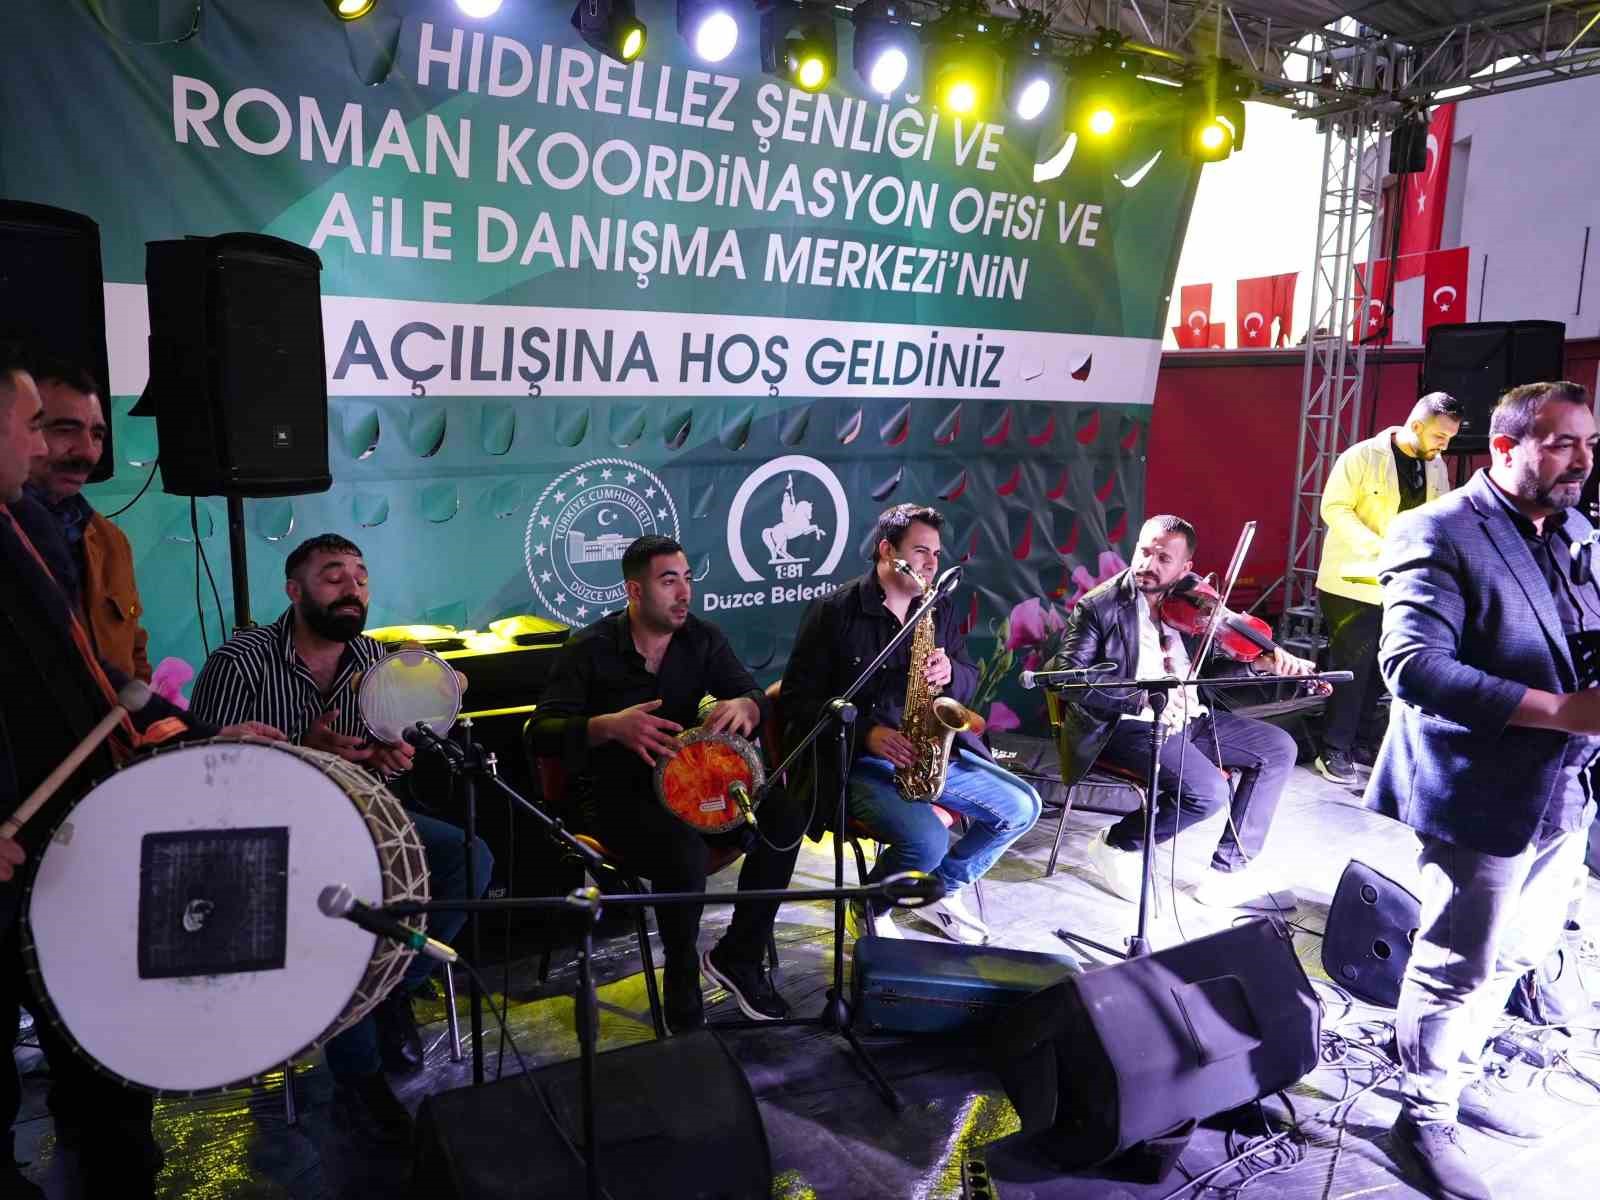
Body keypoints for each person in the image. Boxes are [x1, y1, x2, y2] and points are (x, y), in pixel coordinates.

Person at [0, 345, 277, 1198]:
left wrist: (203, 733)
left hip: (88, 823)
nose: (72, 452)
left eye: (91, 434)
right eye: (49, 428)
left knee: (102, 1047)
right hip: (19, 836)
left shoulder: (99, 541)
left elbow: (115, 678)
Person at [1370, 381, 1600, 1200]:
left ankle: (1458, 1074)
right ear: (1505, 447)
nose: (1583, 460)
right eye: (1563, 442)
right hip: (1479, 787)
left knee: (1519, 951)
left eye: (1590, 443)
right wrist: (1563, 710)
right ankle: (1422, 1114)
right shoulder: (1437, 528)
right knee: (1456, 964)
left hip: (1564, 785)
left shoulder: (1571, 530)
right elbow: (1412, 667)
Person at [188, 532, 492, 1145]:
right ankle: (360, 1079)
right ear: (294, 590)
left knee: (469, 858)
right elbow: (203, 775)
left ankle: (385, 992)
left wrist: (389, 758)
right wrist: (305, 750)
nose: (352, 587)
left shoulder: (377, 662)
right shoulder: (240, 661)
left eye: (360, 576)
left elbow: (391, 758)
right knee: (351, 910)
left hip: (364, 817)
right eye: (333, 576)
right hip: (271, 839)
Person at [530, 535, 806, 1032]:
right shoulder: (589, 649)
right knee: (683, 849)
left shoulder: (702, 638)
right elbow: (539, 733)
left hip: (691, 784)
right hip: (614, 798)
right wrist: (608, 726)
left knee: (784, 814)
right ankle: (681, 974)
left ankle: (739, 956)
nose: (684, 593)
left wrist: (747, 705)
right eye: (668, 581)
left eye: (687, 579)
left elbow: (750, 693)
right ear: (635, 591)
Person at [780, 503, 1041, 945]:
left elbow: (968, 677)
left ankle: (939, 889)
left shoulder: (938, 607)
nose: (931, 563)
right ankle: (870, 905)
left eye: (936, 554)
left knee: (1023, 806)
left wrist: (951, 673)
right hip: (858, 762)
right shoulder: (834, 611)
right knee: (927, 841)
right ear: (887, 550)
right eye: (921, 551)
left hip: (929, 751)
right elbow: (796, 701)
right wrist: (867, 732)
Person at [1049, 515, 1321, 911]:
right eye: (1144, 551)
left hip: (1189, 720)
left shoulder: (1193, 604)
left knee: (1278, 747)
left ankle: (1227, 872)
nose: (1148, 564)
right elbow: (1067, 680)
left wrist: (1260, 664)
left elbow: (1207, 677)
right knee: (1208, 792)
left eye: (1163, 558)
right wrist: (1141, 697)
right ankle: (1117, 844)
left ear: (1184, 567)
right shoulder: (1099, 607)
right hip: (1124, 724)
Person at [1313, 392, 1462, 784]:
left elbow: (1437, 513)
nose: (1445, 446)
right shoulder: (1361, 456)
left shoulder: (1435, 464)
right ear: (1416, 426)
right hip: (1351, 584)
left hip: (1401, 582)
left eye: (1449, 438)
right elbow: (1334, 508)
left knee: (1383, 668)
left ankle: (1361, 740)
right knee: (1353, 669)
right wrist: (1378, 548)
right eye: (1440, 436)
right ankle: (1332, 749)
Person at [24, 359, 152, 681]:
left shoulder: (111, 542)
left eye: (97, 434)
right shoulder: (12, 533)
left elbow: (135, 654)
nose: (88, 451)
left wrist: (138, 706)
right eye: (65, 429)